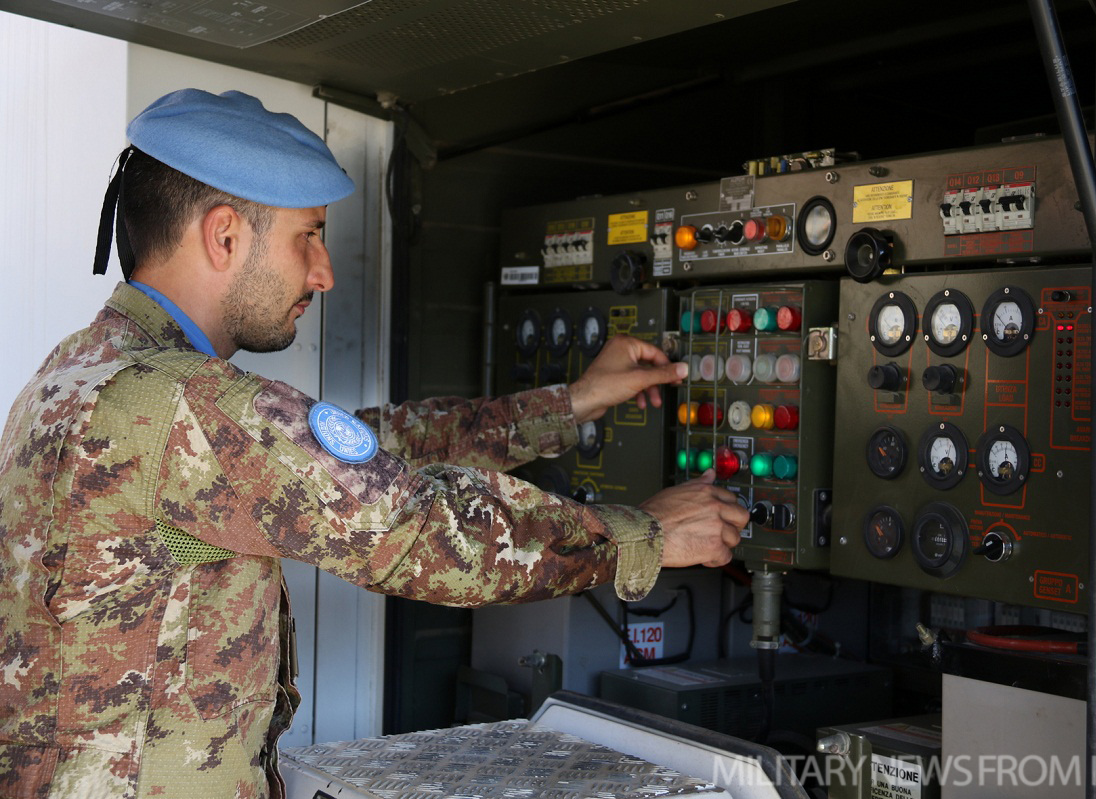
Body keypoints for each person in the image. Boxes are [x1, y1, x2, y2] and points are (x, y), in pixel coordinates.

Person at [0, 89, 748, 798]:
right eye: (310, 236)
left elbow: (355, 453)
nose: (324, 273)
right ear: (224, 234)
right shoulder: (189, 405)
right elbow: (415, 525)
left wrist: (573, 401)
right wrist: (642, 534)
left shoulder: (78, 375)